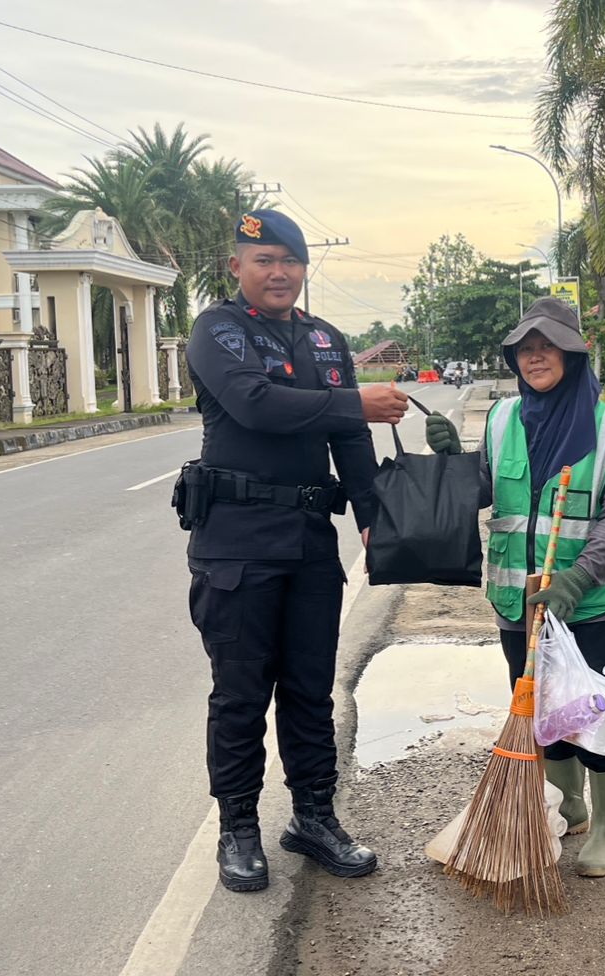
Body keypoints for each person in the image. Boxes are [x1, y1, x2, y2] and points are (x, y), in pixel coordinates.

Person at [181, 208, 409, 894]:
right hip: (237, 545)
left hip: (311, 542)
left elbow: (351, 447)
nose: (278, 272)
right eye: (264, 260)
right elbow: (254, 404)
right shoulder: (217, 331)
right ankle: (239, 830)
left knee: (311, 690)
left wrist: (376, 522)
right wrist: (353, 405)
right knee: (242, 693)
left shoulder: (326, 340)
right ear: (237, 268)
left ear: (304, 269)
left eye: (290, 260)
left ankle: (314, 817)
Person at [424, 296, 605, 878]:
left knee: (597, 713)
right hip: (518, 604)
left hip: (588, 604)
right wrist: (454, 463)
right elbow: (487, 492)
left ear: (572, 354)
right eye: (525, 348)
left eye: (547, 346)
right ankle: (567, 803)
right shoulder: (502, 420)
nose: (535, 356)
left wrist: (577, 578)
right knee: (544, 711)